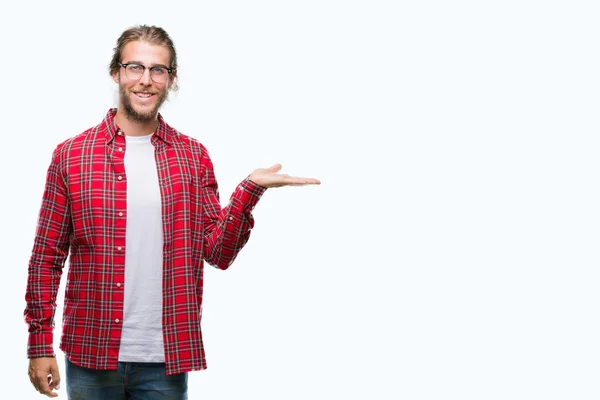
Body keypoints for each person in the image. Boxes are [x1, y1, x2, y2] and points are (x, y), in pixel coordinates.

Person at [24, 24, 320, 399]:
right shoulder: (72, 155)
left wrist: (249, 191)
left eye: (157, 70)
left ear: (171, 79)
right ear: (116, 72)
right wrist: (38, 343)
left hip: (164, 359)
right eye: (135, 67)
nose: (145, 80)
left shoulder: (192, 157)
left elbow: (218, 253)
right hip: (90, 350)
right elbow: (46, 257)